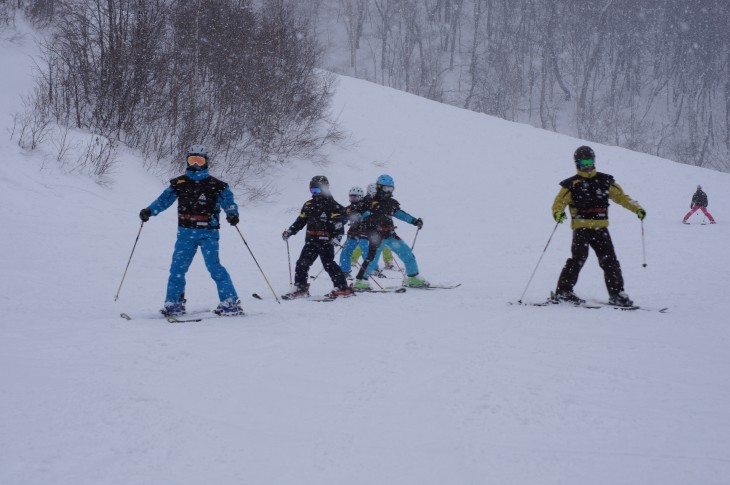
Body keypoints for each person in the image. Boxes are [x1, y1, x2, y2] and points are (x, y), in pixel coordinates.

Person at [139, 144, 243, 317]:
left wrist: (232, 214)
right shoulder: (179, 183)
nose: (195, 164)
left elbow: (229, 202)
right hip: (185, 233)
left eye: (199, 160)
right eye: (192, 160)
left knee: (214, 267)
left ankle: (230, 303)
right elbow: (163, 200)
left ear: (206, 162)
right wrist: (149, 211)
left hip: (208, 233)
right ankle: (174, 304)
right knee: (177, 269)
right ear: (187, 161)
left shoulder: (217, 185)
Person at [551, 146, 646, 307]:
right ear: (577, 164)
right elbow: (558, 202)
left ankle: (617, 294)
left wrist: (636, 208)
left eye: (590, 161)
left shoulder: (604, 181)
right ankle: (564, 291)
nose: (587, 165)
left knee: (610, 261)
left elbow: (621, 197)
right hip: (581, 229)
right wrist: (558, 213)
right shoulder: (571, 184)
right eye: (584, 162)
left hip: (601, 229)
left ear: (594, 161)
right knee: (578, 259)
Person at [282, 176, 353, 299]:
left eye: (317, 191)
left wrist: (337, 237)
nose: (315, 194)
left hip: (326, 241)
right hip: (311, 240)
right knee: (302, 263)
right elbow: (301, 220)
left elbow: (340, 223)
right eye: (312, 191)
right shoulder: (309, 205)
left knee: (328, 264)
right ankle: (300, 287)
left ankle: (342, 287)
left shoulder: (333, 205)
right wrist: (291, 231)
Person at [353, 174, 427, 290]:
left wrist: (414, 221)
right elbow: (359, 214)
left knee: (408, 254)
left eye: (390, 189)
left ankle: (413, 278)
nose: (388, 191)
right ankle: (361, 281)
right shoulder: (370, 201)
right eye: (385, 188)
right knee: (372, 259)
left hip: (390, 235)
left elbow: (400, 214)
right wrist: (366, 218)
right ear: (378, 187)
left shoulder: (391, 202)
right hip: (376, 236)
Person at [349, 182, 397, 273]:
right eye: (374, 193)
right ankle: (355, 260)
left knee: (384, 244)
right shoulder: (367, 201)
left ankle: (388, 262)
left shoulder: (380, 200)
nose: (376, 195)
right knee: (365, 246)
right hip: (368, 229)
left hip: (379, 227)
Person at [339, 186, 370, 279]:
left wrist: (361, 218)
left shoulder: (366, 206)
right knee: (345, 252)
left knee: (366, 253)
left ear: (360, 197)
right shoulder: (349, 208)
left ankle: (369, 271)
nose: (353, 199)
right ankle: (345, 272)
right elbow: (342, 218)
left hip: (364, 234)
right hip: (353, 234)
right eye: (351, 197)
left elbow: (369, 217)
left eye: (355, 197)